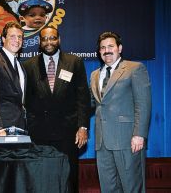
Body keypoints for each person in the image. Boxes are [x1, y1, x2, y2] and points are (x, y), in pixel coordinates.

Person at [23, 26, 91, 193]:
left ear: (59, 40)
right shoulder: (28, 65)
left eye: (52, 38)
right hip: (39, 133)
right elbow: (25, 101)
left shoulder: (74, 62)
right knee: (41, 177)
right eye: (45, 39)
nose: (49, 42)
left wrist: (83, 127)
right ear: (39, 42)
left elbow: (83, 98)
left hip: (68, 132)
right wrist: (29, 127)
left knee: (68, 176)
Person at [89, 31, 152, 193]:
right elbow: (90, 103)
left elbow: (143, 104)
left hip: (127, 139)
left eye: (111, 46)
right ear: (99, 51)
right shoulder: (95, 75)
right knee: (108, 187)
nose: (106, 50)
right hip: (102, 142)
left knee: (132, 186)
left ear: (120, 48)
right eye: (103, 48)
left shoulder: (135, 68)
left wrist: (139, 134)